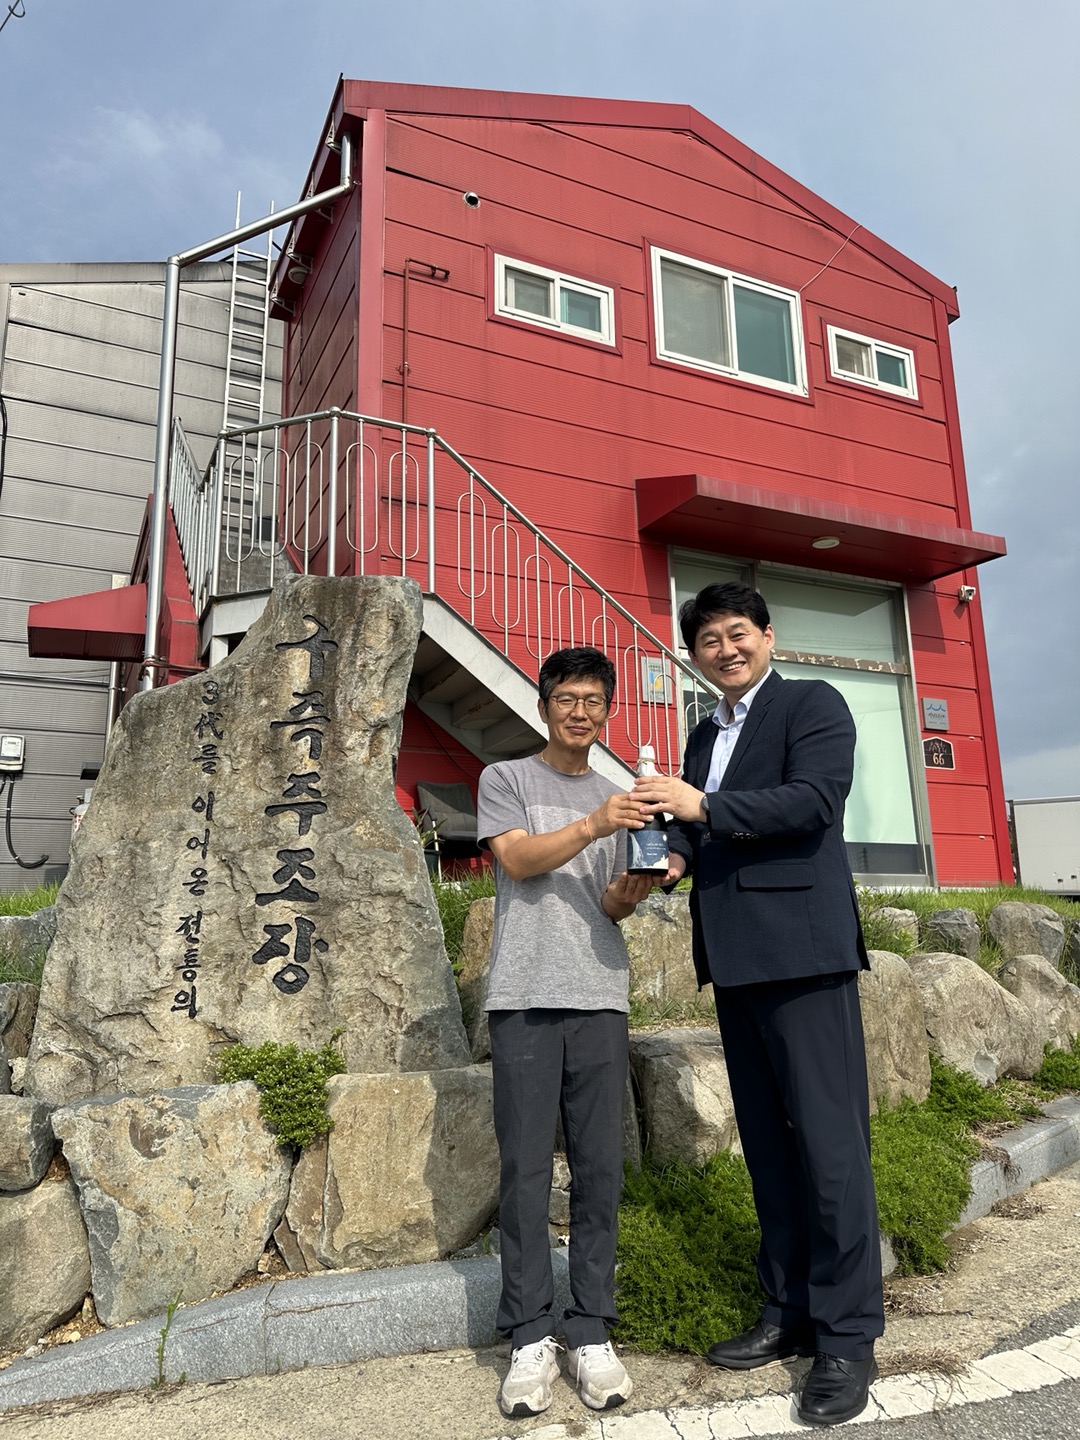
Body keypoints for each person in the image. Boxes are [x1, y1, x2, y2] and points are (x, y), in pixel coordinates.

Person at [632, 581, 883, 1428]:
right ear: (696, 655)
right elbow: (699, 827)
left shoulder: (813, 704)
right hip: (735, 960)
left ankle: (847, 1336)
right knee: (770, 1152)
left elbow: (813, 801)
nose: (725, 650)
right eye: (709, 641)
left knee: (831, 1151)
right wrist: (671, 851)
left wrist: (700, 805)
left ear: (768, 636)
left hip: (804, 954)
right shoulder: (704, 731)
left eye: (738, 633)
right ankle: (789, 1310)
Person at [477, 645, 654, 1419]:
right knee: (523, 1169)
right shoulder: (507, 779)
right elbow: (519, 862)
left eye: (593, 701)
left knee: (599, 1167)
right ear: (544, 705)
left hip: (598, 995)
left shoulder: (622, 798)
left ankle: (590, 1328)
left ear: (607, 710)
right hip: (522, 995)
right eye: (566, 699)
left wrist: (636, 886)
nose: (580, 712)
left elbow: (608, 904)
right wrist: (595, 824)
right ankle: (528, 1335)